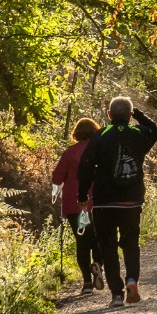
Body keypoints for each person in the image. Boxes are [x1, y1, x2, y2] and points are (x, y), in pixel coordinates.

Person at [77, 97, 157, 306]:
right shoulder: (138, 134)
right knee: (131, 243)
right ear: (129, 115)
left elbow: (86, 164)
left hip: (105, 202)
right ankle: (132, 279)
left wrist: (82, 194)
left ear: (109, 115)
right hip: (131, 201)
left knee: (108, 246)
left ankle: (116, 295)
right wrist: (138, 115)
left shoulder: (100, 136)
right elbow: (155, 130)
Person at [51, 117, 105, 295]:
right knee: (98, 238)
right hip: (98, 202)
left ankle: (87, 283)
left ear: (76, 134)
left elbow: (57, 178)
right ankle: (98, 264)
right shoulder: (100, 152)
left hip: (76, 206)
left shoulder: (69, 153)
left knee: (82, 242)